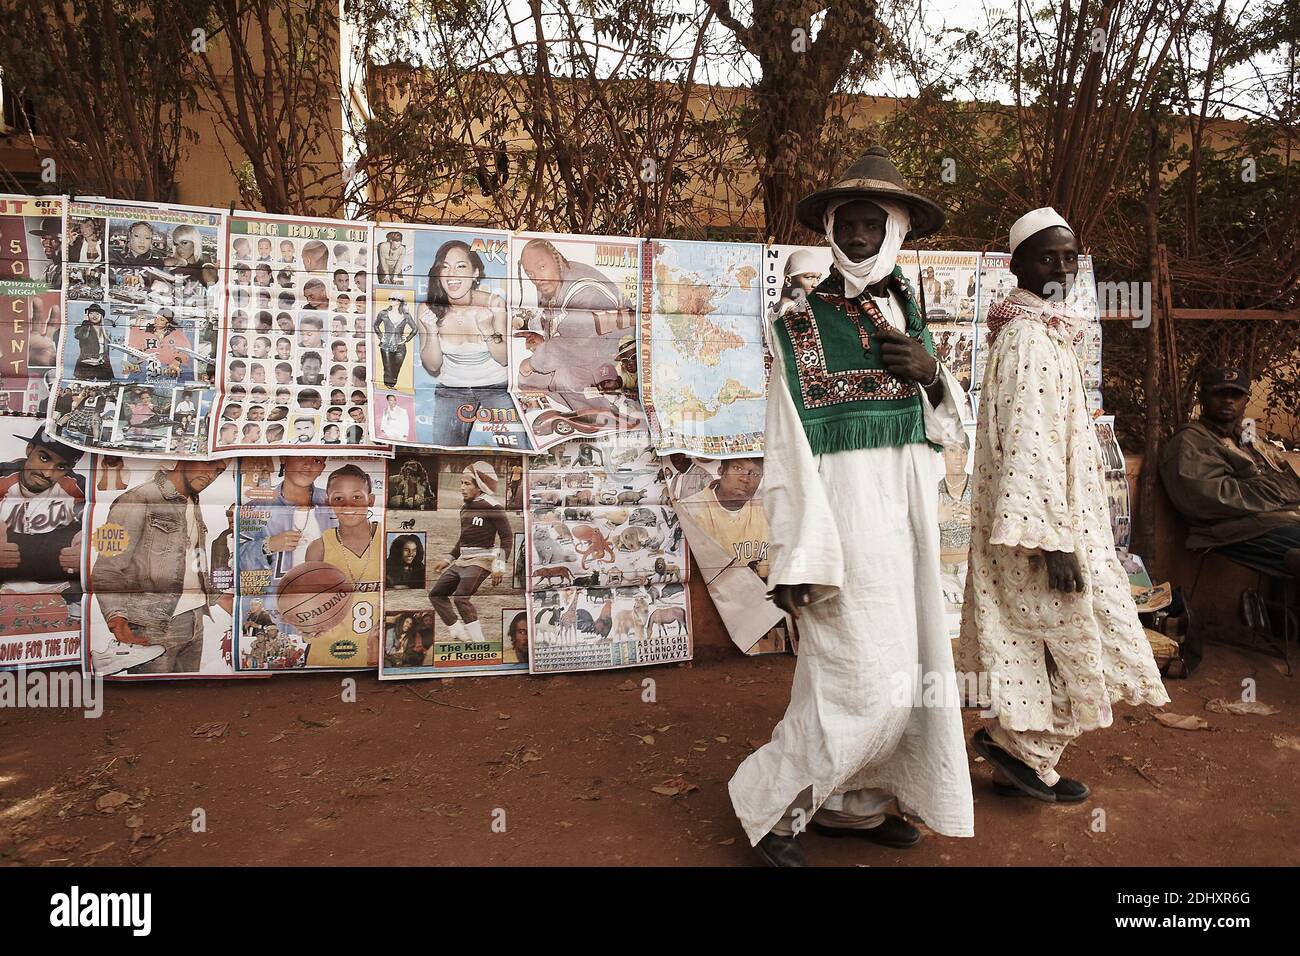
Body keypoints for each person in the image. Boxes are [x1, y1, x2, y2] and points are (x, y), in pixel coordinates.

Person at [728, 147, 974, 867]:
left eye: (875, 223)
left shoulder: (908, 311)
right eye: (850, 223)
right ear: (831, 230)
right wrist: (801, 554)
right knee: (861, 682)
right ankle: (773, 808)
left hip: (908, 528)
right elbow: (786, 451)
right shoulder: (798, 325)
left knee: (910, 675)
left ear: (896, 230)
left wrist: (932, 376)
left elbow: (946, 428)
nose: (861, 236)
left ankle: (852, 806)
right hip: (843, 530)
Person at [959, 207, 1169, 804]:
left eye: (1069, 255)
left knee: (1046, 641)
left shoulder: (1045, 330)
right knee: (1074, 639)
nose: (1060, 266)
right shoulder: (1027, 336)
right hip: (1043, 529)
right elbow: (1029, 442)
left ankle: (1021, 751)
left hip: (1059, 521)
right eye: (1047, 255)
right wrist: (1051, 543)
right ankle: (1021, 751)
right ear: (1017, 264)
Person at [90, 460, 228, 674]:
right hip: (152, 625)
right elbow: (107, 568)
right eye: (208, 465)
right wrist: (116, 619)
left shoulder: (193, 500)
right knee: (150, 699)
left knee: (185, 699)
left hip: (194, 621)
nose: (211, 475)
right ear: (184, 459)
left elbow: (190, 558)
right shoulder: (136, 499)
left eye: (218, 471)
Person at [1160, 366, 1300, 575]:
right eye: (1219, 393)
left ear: (1246, 400)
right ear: (1202, 397)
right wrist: (1275, 491)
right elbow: (1207, 499)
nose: (1228, 400)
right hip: (1236, 532)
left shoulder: (1245, 435)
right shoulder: (1189, 441)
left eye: (1236, 395)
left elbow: (1285, 477)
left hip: (1278, 518)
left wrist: (1278, 489)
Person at [516, 237, 639, 435]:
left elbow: (576, 344)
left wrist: (534, 361)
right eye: (530, 273)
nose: (536, 278)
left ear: (556, 259)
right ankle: (582, 407)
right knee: (526, 381)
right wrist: (542, 340)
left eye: (541, 267)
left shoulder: (586, 290)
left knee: (563, 377)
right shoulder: (555, 280)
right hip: (590, 349)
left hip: (617, 354)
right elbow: (560, 321)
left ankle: (611, 415)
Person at [415, 241, 514, 446]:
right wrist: (432, 330)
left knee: (515, 449)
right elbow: (432, 366)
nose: (452, 274)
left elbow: (504, 358)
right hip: (451, 390)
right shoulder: (428, 308)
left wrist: (487, 328)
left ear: (475, 272)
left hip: (497, 388)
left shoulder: (493, 303)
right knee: (444, 452)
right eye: (445, 266)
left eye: (461, 266)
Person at [302, 464, 381, 666]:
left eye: (357, 497)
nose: (348, 505)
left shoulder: (390, 540)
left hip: (377, 655)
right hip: (328, 655)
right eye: (339, 498)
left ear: (370, 500)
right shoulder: (318, 549)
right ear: (329, 503)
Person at [428, 461, 511, 645]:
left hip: (482, 560)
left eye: (467, 484)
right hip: (462, 561)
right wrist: (448, 558)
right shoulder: (464, 508)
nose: (462, 488)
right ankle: (457, 631)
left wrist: (499, 566)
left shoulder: (493, 507)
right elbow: (463, 539)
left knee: (460, 598)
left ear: (480, 485)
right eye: (461, 483)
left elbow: (506, 539)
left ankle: (478, 641)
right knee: (436, 594)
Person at [0, 428, 85, 599]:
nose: (47, 473)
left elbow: (108, 517)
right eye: (44, 458)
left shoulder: (77, 486)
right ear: (29, 449)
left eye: (61, 467)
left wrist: (89, 547)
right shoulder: (3, 476)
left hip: (60, 587)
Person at [679, 459, 769, 576]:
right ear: (721, 470)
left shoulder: (768, 510)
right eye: (738, 468)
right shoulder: (690, 511)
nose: (745, 479)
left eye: (755, 474)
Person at [374, 294, 418, 388]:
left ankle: (392, 386)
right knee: (387, 368)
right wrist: (380, 336)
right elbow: (376, 325)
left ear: (399, 301)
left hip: (400, 347)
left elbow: (415, 329)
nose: (390, 300)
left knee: (396, 369)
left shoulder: (406, 315)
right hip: (386, 345)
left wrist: (407, 338)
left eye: (393, 299)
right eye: (389, 298)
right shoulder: (383, 313)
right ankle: (387, 387)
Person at [773, 249, 824, 318]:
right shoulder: (797, 312)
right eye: (809, 277)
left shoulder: (771, 311)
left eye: (818, 278)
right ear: (788, 280)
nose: (816, 284)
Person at [73, 303, 115, 381]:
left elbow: (107, 352)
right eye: (91, 313)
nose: (94, 316)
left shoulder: (106, 332)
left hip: (102, 365)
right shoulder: (80, 328)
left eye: (97, 313)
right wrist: (85, 322)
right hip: (86, 365)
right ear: (88, 315)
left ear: (101, 316)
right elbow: (82, 336)